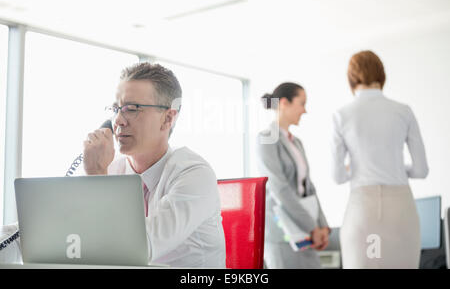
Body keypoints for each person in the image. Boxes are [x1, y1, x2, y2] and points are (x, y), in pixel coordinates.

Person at [83, 62, 226, 268]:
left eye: (131, 109)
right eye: (116, 109)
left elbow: (136, 249)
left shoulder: (194, 174)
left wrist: (95, 177)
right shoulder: (110, 170)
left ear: (168, 118)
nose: (119, 121)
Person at [331, 50, 429, 269]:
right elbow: (421, 170)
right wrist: (393, 166)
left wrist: (358, 167)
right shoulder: (403, 111)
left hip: (362, 209)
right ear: (382, 75)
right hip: (401, 208)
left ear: (352, 78)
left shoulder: (342, 115)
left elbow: (337, 176)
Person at [256, 82, 330, 269]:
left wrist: (323, 226)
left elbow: (308, 187)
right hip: (283, 234)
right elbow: (279, 188)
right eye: (302, 103)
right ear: (284, 103)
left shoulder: (297, 143)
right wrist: (312, 227)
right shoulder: (266, 139)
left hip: (307, 231)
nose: (305, 110)